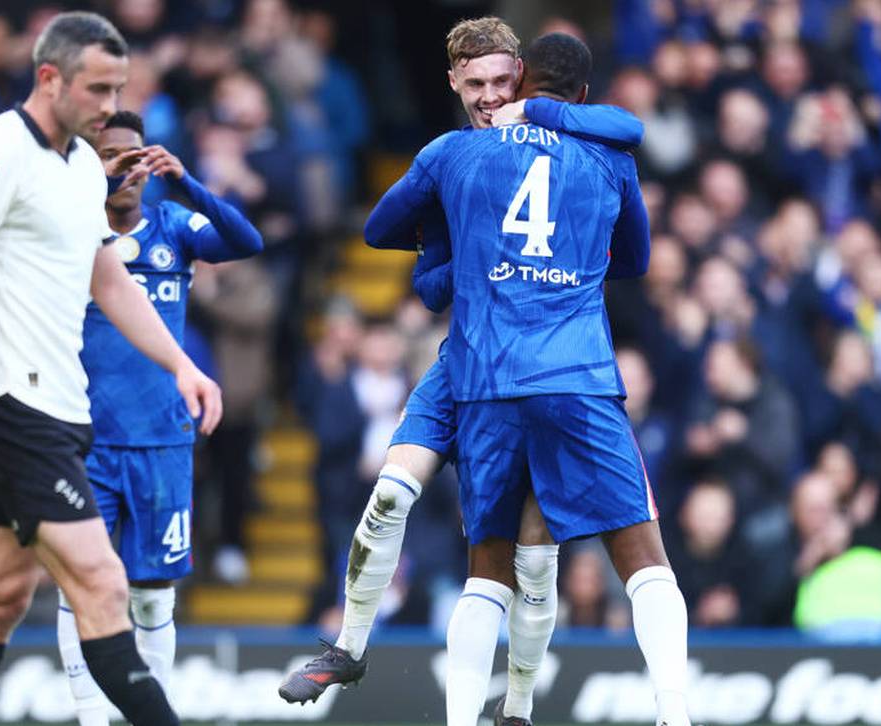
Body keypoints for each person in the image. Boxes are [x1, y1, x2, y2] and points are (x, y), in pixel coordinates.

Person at [278, 18, 645, 723]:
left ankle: (517, 706)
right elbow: (394, 245)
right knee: (389, 495)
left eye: (504, 83)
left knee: (532, 566)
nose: (489, 97)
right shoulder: (452, 157)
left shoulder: (567, 149)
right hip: (467, 364)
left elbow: (625, 136)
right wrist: (447, 252)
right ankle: (348, 647)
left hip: (539, 366)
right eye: (475, 84)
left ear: (524, 82)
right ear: (452, 82)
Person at [364, 31, 691, 726]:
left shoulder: (458, 153)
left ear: (519, 81)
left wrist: (465, 252)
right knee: (643, 556)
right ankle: (675, 714)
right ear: (580, 94)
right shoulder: (607, 153)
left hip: (489, 379)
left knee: (492, 567)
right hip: (577, 373)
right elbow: (633, 258)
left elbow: (381, 230)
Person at [0, 12, 220, 726]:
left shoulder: (84, 167)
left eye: (118, 88)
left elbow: (107, 279)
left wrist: (182, 365)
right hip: (10, 406)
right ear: (48, 78)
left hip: (61, 407)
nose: (110, 105)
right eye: (97, 88)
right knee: (103, 582)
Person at [57, 109, 262, 726]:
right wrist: (91, 183)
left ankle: (151, 716)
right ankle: (91, 718)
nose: (129, 167)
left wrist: (190, 181)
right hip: (86, 441)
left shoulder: (174, 225)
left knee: (151, 597)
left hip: (162, 442)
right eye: (111, 155)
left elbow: (247, 241)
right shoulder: (72, 230)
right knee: (83, 587)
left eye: (136, 154)